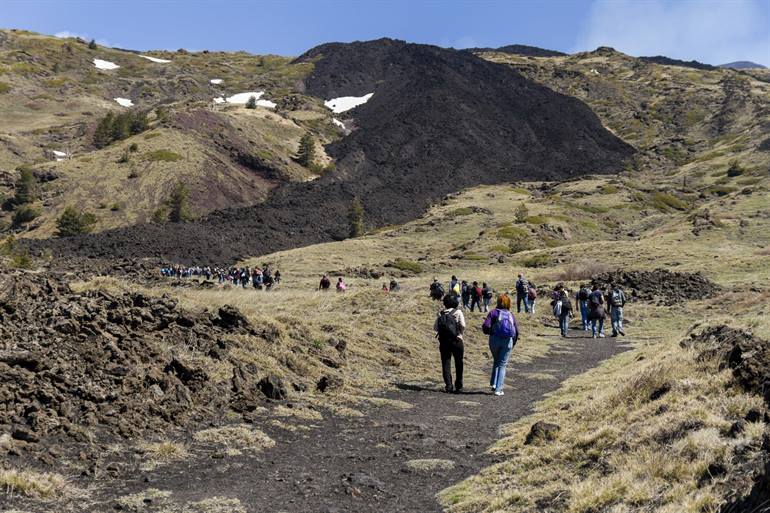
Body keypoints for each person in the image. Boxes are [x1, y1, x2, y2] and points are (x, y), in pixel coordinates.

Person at [482, 294, 519, 396]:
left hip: (494, 339)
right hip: (507, 341)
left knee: (496, 360)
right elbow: (516, 331)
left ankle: (493, 383)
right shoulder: (511, 315)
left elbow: (486, 325)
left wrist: (489, 332)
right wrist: (513, 342)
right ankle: (499, 389)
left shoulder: (493, 313)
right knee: (502, 364)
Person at [434, 294, 466, 393]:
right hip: (457, 340)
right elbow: (463, 325)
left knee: (446, 363)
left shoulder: (440, 314)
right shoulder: (458, 312)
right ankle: (459, 385)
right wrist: (460, 333)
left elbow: (435, 328)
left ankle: (448, 386)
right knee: (458, 362)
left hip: (444, 341)